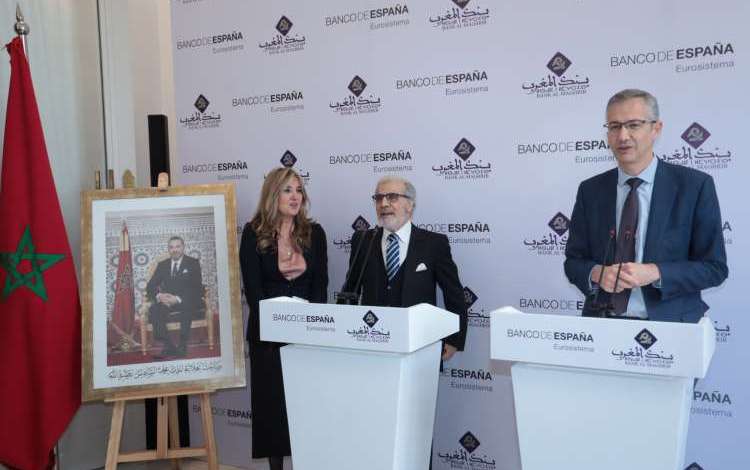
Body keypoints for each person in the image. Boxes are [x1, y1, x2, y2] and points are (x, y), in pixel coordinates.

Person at [564, 89, 728, 322]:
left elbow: (714, 268)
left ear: (656, 129)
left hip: (671, 326)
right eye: (614, 126)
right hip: (603, 325)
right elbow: (573, 262)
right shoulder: (590, 190)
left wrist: (655, 272)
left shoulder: (694, 186)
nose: (623, 136)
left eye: (633, 125)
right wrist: (597, 273)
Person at [239, 167, 328, 470]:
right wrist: (277, 325)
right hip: (268, 338)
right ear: (272, 194)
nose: (295, 197)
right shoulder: (253, 233)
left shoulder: (315, 233)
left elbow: (320, 285)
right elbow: (254, 290)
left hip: (306, 336)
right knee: (272, 410)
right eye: (287, 190)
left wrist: (313, 328)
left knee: (307, 408)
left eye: (299, 190)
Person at [340, 175, 467, 360]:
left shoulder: (434, 243)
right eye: (378, 198)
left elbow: (453, 294)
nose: (383, 203)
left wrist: (454, 338)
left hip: (420, 345)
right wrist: (344, 335)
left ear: (410, 204)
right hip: (371, 344)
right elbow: (350, 290)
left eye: (392, 197)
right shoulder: (362, 240)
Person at [146, 236, 203, 357]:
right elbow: (150, 286)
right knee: (154, 309)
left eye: (177, 246)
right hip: (167, 300)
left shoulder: (193, 263)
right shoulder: (163, 265)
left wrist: (177, 299)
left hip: (186, 300)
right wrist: (160, 296)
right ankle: (168, 345)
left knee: (187, 306)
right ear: (168, 249)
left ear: (183, 247)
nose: (174, 250)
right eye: (171, 247)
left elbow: (196, 287)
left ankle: (182, 345)